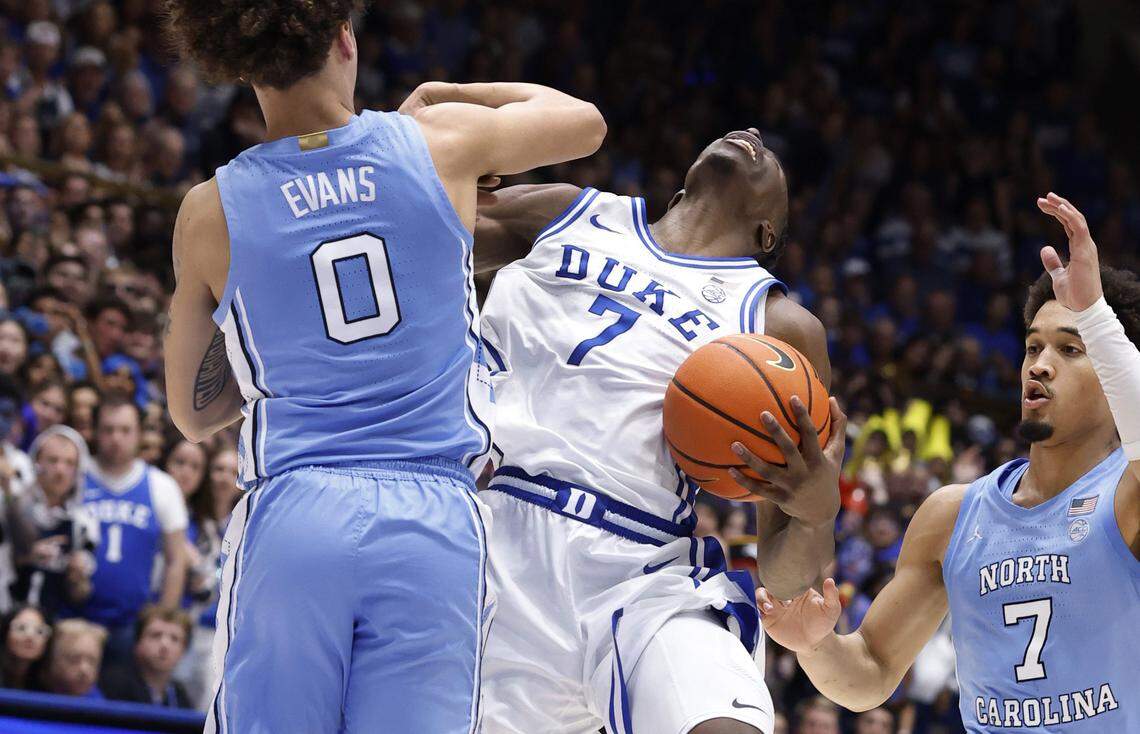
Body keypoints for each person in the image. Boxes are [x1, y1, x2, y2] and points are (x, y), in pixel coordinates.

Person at [161, 0, 605, 730]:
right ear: (344, 39)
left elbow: (192, 410)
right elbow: (584, 121)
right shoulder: (439, 141)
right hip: (432, 518)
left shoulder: (209, 210)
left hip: (296, 511)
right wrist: (446, 100)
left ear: (241, 69)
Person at [473, 130, 845, 733]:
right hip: (480, 531)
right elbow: (411, 234)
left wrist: (815, 509)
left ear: (767, 234)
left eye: (771, 152)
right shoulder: (573, 211)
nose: (749, 134)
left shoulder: (778, 325)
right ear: (678, 190)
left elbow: (784, 576)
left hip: (635, 565)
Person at [757, 193, 1140, 731]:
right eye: (1033, 348)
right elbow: (872, 671)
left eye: (1071, 350)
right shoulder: (953, 516)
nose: (1041, 366)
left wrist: (1098, 317)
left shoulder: (1128, 499)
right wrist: (816, 645)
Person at [79, 395, 189, 664]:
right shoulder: (77, 476)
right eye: (108, 429)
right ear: (95, 431)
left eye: (125, 430)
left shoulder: (161, 485)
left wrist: (161, 622)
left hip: (132, 624)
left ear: (140, 433)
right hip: (75, 617)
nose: (116, 438)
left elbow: (177, 560)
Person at [7, 426, 99, 617]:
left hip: (52, 624)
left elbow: (79, 595)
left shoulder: (83, 524)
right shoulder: (10, 505)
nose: (60, 470)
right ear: (36, 462)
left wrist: (77, 577)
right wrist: (25, 558)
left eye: (69, 463)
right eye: (52, 460)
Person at [101, 605, 194, 708]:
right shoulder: (114, 684)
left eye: (174, 639)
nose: (165, 645)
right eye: (156, 635)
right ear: (138, 643)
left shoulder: (180, 694)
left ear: (184, 650)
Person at [41, 618, 105, 699]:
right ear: (53, 661)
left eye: (92, 661)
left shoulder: (99, 706)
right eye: (74, 660)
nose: (84, 669)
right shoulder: (28, 691)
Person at [1, 604, 52, 690]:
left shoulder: (51, 682)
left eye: (39, 631)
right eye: (21, 628)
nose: (30, 636)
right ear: (5, 633)